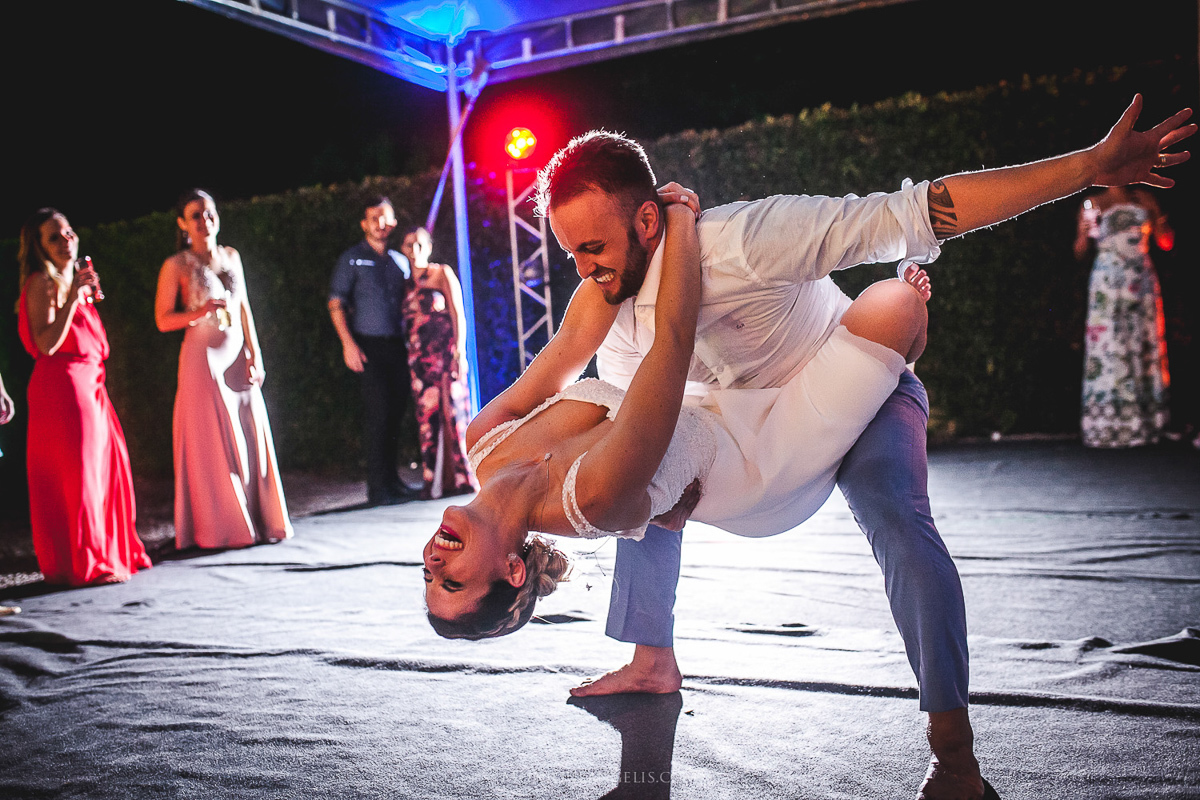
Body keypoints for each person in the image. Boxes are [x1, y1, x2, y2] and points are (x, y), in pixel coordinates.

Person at [444, 95, 1192, 800]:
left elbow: (922, 210)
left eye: (594, 247)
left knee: (897, 520)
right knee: (641, 456)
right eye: (571, 252)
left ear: (648, 221)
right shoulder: (599, 305)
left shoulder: (743, 241)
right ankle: (651, 660)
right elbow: (574, 404)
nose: (584, 269)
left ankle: (953, 753)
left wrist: (1087, 167)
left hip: (853, 392)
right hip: (748, 442)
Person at [423, 202, 931, 628]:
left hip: (703, 406)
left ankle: (893, 362)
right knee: (896, 303)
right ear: (513, 570)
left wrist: (631, 234)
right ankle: (909, 344)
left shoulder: (485, 440)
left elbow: (573, 341)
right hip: (759, 469)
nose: (434, 561)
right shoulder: (592, 501)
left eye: (428, 576)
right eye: (452, 580)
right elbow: (671, 340)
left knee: (889, 309)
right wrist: (681, 223)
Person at [16, 208, 152, 585]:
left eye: (69, 232)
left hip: (92, 385)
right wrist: (74, 297)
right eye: (54, 237)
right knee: (80, 478)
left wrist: (79, 292)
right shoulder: (42, 283)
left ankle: (107, 552)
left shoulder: (71, 282)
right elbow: (46, 344)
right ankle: (87, 562)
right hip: (64, 388)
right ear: (40, 248)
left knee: (105, 471)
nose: (66, 240)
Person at [155, 189, 293, 550]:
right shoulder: (176, 264)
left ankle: (260, 520)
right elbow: (162, 320)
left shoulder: (231, 255)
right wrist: (199, 312)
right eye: (195, 215)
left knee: (249, 435)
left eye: (209, 212)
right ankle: (223, 527)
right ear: (183, 224)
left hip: (235, 357)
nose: (205, 220)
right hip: (202, 360)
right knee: (213, 442)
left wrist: (255, 353)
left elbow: (244, 306)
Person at [328, 197, 415, 506]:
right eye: (373, 218)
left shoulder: (400, 260)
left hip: (399, 346)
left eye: (385, 217)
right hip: (368, 346)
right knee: (378, 416)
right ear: (364, 224)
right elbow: (336, 303)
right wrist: (348, 344)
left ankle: (393, 481)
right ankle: (377, 489)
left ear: (392, 222)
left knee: (395, 415)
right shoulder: (352, 259)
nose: (380, 223)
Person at [1073, 186, 1174, 447]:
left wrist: (1157, 214)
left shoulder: (1143, 198)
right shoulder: (1093, 202)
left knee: (1143, 345)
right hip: (1109, 282)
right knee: (1110, 348)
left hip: (1140, 280)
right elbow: (1079, 251)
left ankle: (1147, 422)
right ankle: (1110, 424)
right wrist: (1084, 233)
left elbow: (1166, 242)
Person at [398, 226, 478, 500]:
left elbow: (458, 312)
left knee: (454, 413)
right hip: (419, 360)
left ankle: (462, 478)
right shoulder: (405, 284)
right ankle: (434, 480)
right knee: (427, 417)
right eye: (409, 245)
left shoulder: (441, 273)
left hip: (445, 352)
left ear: (429, 247)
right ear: (403, 249)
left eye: (420, 244)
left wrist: (460, 352)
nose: (414, 250)